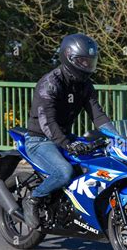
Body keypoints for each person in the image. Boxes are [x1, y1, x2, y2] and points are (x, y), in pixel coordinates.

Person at [24, 33, 111, 229]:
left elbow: (98, 116)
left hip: (64, 136)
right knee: (64, 172)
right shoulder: (50, 83)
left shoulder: (85, 85)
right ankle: (34, 199)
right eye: (82, 61)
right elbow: (48, 122)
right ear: (68, 57)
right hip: (40, 140)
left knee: (98, 164)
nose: (87, 66)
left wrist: (120, 137)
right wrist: (68, 144)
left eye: (90, 61)